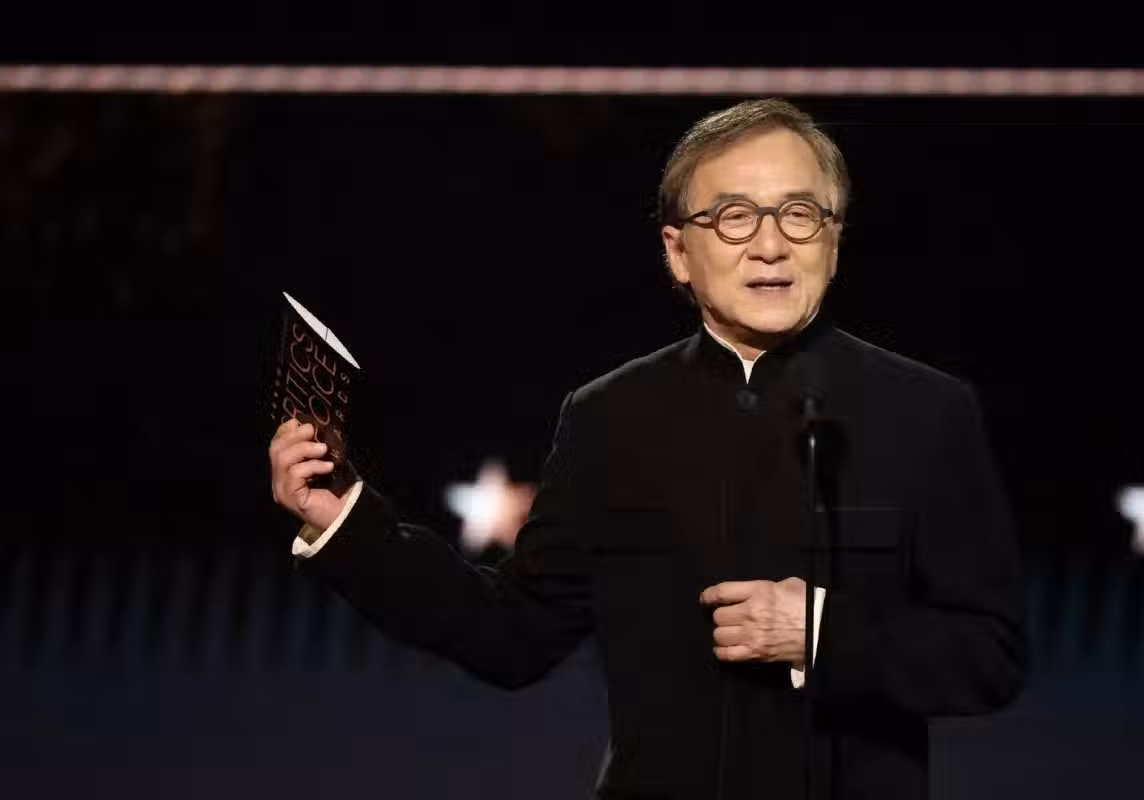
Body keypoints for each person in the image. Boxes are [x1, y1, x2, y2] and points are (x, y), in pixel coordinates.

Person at [267, 98, 1028, 799]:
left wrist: (823, 634)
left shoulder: (926, 412)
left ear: (833, 240)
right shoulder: (608, 417)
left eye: (800, 214)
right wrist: (349, 525)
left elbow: (990, 654)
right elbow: (512, 634)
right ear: (678, 252)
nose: (770, 245)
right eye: (734, 217)